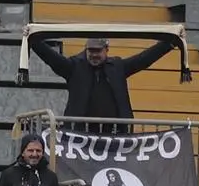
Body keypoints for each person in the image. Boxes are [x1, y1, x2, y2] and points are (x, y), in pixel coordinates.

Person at [30, 33, 178, 126]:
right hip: (80, 135)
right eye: (90, 51)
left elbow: (144, 59)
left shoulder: (118, 66)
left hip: (115, 135)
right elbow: (51, 57)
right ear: (85, 49)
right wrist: (33, 40)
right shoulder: (74, 67)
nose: (94, 55)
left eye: (98, 51)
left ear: (107, 50)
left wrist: (169, 44)